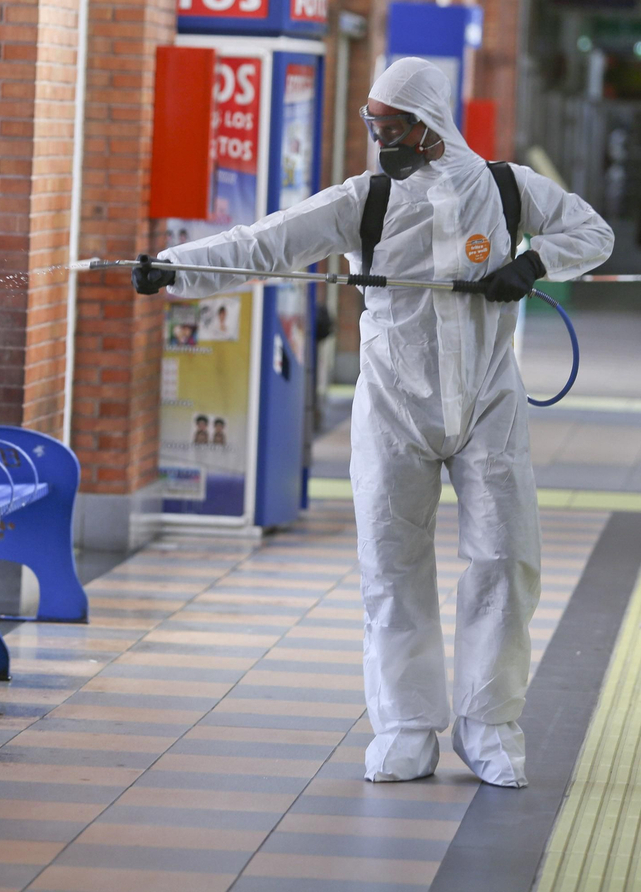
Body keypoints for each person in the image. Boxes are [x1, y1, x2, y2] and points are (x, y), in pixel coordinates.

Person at [132, 58, 613, 786]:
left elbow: (593, 232)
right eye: (373, 124)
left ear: (431, 125)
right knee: (392, 567)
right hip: (393, 405)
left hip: (488, 402)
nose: (380, 136)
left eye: (393, 126)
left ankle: (489, 727)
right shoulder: (368, 200)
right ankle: (407, 728)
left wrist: (535, 262)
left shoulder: (509, 189)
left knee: (505, 560)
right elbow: (270, 242)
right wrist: (177, 268)